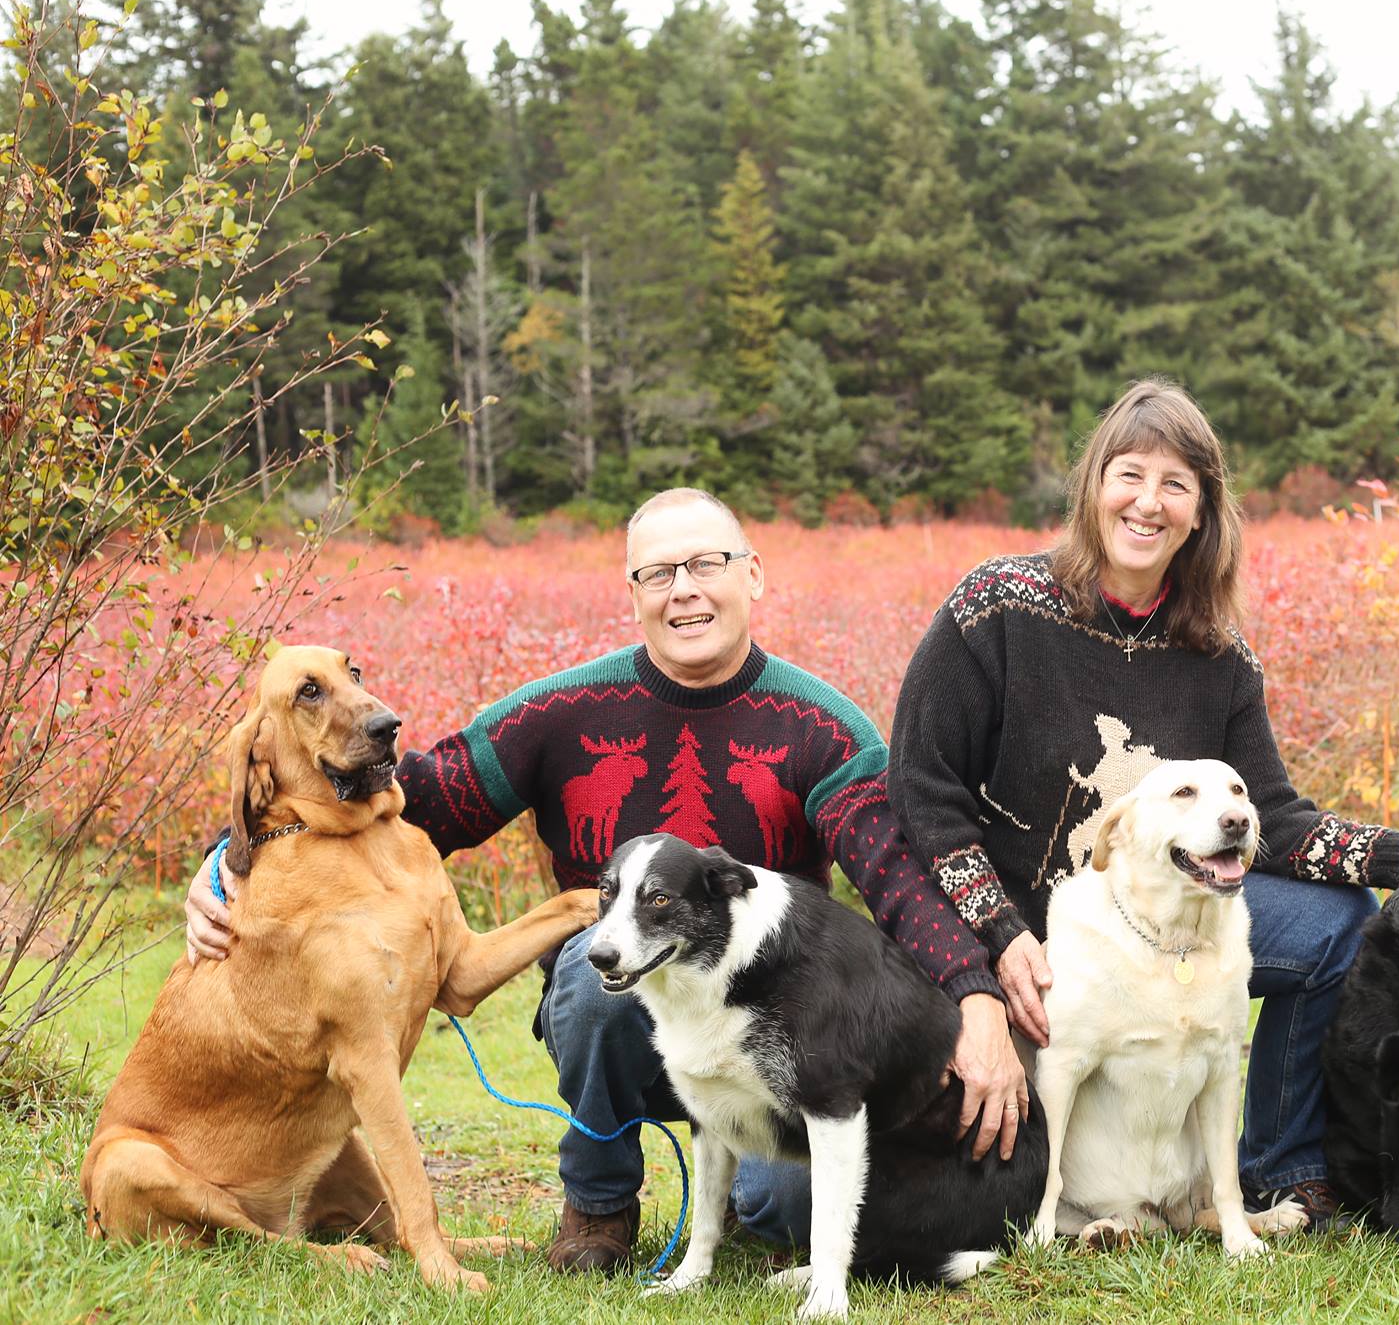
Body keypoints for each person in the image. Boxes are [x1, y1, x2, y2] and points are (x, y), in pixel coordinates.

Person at [185, 488, 1030, 1274]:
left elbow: (896, 871)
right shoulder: (559, 712)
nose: (684, 592)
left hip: (772, 1025)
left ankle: (744, 1194)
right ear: (633, 594)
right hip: (619, 1011)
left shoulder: (819, 725)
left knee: (795, 1212)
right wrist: (229, 864)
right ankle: (599, 1203)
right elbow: (418, 798)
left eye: (706, 565)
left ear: (753, 576)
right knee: (596, 980)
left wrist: (973, 993)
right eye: (658, 573)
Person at [887, 378, 1399, 1228]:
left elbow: (1272, 817)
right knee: (945, 1176)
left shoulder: (1220, 655)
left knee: (1336, 919)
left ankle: (1281, 1169)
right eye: (1129, 474)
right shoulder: (997, 606)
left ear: (1203, 512)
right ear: (1093, 486)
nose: (1147, 503)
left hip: (1159, 918)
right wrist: (1000, 937)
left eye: (1175, 484)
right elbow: (922, 791)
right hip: (1021, 945)